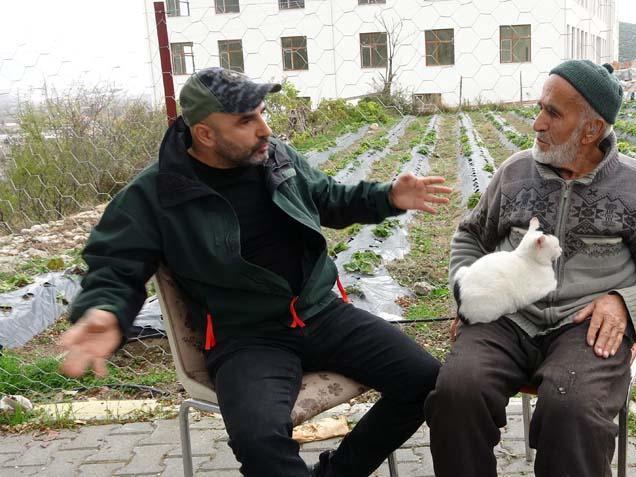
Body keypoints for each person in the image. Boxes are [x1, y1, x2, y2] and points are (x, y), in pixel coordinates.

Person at [58, 67, 451, 477]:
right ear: (205, 134)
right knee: (259, 442)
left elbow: (330, 199)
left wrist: (388, 197)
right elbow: (115, 263)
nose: (265, 129)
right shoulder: (157, 193)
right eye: (246, 120)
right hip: (246, 336)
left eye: (263, 113)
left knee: (427, 380)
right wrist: (104, 309)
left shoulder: (276, 156)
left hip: (320, 313)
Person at [424, 60, 636, 477]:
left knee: (571, 409)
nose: (536, 123)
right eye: (540, 108)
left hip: (585, 326)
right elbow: (470, 237)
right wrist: (467, 295)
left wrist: (626, 304)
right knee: (456, 392)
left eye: (552, 113)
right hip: (507, 317)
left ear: (591, 129)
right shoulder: (514, 174)